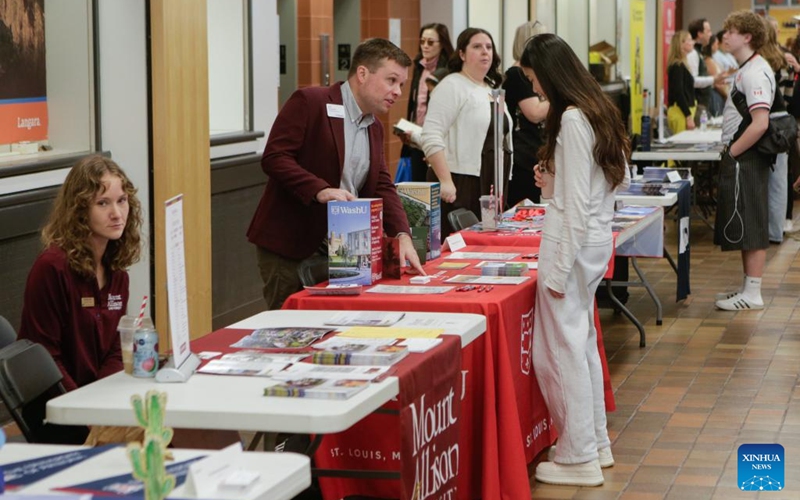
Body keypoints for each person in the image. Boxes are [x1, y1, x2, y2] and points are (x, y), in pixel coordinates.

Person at [521, 33, 630, 486]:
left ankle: (577, 455)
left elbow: (572, 208)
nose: (536, 90)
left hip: (573, 246)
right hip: (595, 241)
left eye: (534, 80)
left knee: (559, 351)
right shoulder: (597, 109)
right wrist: (552, 180)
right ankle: (595, 443)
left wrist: (558, 270)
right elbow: (608, 184)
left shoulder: (570, 119)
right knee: (581, 344)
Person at [247, 38, 424, 310]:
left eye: (401, 84)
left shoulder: (374, 127)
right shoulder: (310, 102)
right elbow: (275, 157)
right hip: (292, 242)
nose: (398, 91)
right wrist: (319, 190)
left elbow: (382, 186)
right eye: (391, 80)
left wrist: (402, 235)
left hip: (343, 248)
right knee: (290, 326)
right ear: (362, 74)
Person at [17, 156, 141, 443]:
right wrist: (86, 408)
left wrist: (103, 399)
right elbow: (45, 356)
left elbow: (113, 349)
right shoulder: (52, 267)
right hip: (57, 406)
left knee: (163, 426)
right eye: (102, 203)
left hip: (95, 402)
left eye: (121, 201)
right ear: (79, 209)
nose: (117, 213)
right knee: (145, 440)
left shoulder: (117, 271)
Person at [421, 27, 511, 236]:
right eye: (477, 47)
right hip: (460, 182)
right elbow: (431, 134)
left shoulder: (490, 87)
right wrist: (445, 180)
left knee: (485, 241)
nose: (485, 52)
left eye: (489, 47)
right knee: (459, 244)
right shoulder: (452, 86)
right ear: (461, 54)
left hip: (491, 180)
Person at [714, 10, 773, 311]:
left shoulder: (754, 72)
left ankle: (753, 292)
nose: (725, 35)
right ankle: (747, 287)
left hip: (747, 156)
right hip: (743, 155)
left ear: (747, 36)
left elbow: (760, 122)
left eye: (731, 31)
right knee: (746, 220)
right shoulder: (745, 69)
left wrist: (733, 151)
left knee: (752, 221)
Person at [503, 20, 549, 207]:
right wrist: (560, 95)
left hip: (533, 152)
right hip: (523, 157)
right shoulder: (517, 75)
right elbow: (535, 112)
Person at [401, 23, 454, 181]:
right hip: (417, 138)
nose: (425, 46)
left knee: (436, 186)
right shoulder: (419, 67)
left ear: (442, 44)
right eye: (422, 41)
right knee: (419, 187)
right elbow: (415, 103)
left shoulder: (448, 71)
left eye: (430, 42)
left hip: (438, 139)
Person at [761, 17, 792, 245]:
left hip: (767, 119)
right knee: (780, 179)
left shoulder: (761, 61)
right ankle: (776, 228)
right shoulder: (784, 59)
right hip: (784, 122)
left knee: (765, 178)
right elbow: (788, 96)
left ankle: (769, 228)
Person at [687, 18, 724, 125]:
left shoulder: (699, 52)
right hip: (697, 105)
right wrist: (714, 79)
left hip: (703, 104)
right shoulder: (693, 53)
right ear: (699, 34)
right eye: (708, 31)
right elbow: (692, 80)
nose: (711, 34)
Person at [666, 31, 697, 134]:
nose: (692, 42)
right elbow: (678, 92)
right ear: (681, 44)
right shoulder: (677, 66)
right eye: (689, 40)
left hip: (684, 111)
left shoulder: (683, 64)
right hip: (680, 112)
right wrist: (688, 116)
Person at [703, 35, 727, 117]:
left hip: (719, 94)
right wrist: (726, 95)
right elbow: (717, 83)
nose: (718, 45)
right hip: (715, 94)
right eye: (716, 43)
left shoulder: (712, 60)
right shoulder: (709, 61)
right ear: (712, 45)